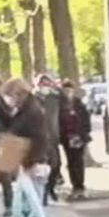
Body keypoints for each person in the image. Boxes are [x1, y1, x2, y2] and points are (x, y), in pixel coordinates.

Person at [0, 78, 53, 217]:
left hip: (33, 166)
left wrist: (26, 162)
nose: (9, 100)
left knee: (33, 214)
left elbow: (40, 140)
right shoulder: (27, 110)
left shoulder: (32, 113)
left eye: (10, 96)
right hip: (30, 165)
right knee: (32, 211)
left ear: (18, 94)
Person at [58, 80, 92, 200]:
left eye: (70, 90)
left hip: (78, 136)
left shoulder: (79, 104)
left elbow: (86, 119)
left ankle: (80, 186)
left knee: (78, 161)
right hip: (67, 137)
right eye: (65, 90)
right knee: (71, 162)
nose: (68, 93)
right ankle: (75, 186)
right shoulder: (61, 104)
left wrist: (85, 133)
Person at [36, 74, 65, 204]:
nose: (45, 87)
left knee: (56, 165)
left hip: (53, 137)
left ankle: (51, 188)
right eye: (43, 84)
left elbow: (66, 101)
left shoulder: (54, 99)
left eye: (47, 84)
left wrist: (57, 88)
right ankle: (42, 192)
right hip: (38, 138)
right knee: (41, 167)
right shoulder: (32, 99)